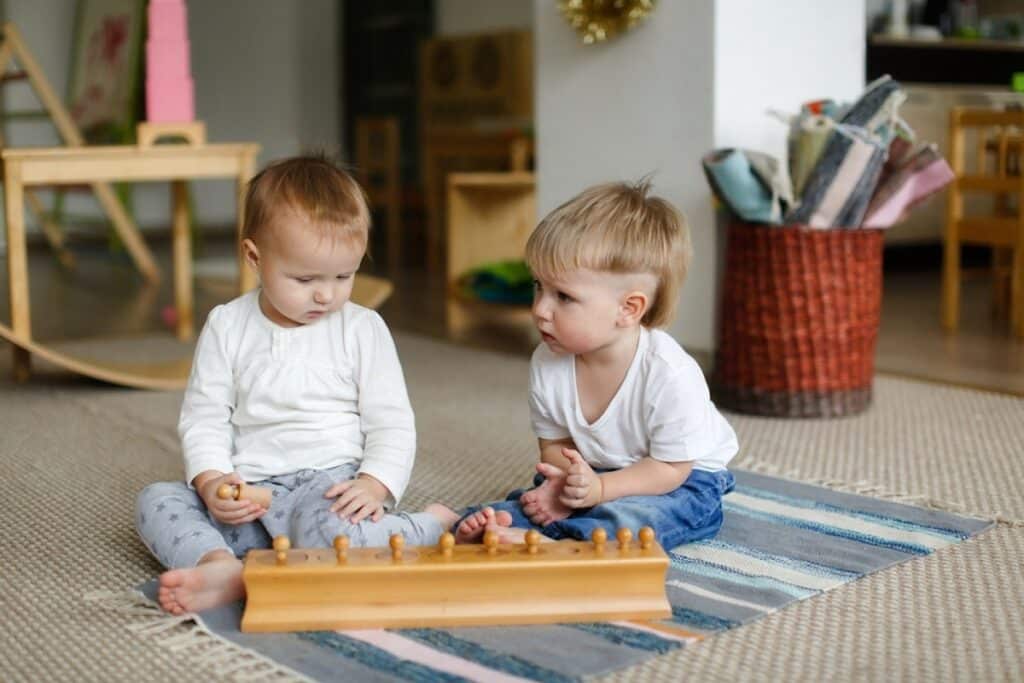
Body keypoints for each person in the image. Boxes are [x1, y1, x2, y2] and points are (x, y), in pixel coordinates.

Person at [136, 155, 455, 615]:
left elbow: (392, 422)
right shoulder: (228, 325)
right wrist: (212, 484)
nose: (327, 294)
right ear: (254, 257)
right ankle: (221, 565)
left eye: (344, 276)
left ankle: (424, 527)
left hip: (325, 492)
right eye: (305, 279)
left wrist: (373, 484)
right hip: (247, 493)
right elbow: (205, 417)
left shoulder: (362, 329)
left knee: (327, 532)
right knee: (156, 501)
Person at [445, 179, 738, 549]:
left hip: (681, 477)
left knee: (641, 518)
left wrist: (600, 489)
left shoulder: (670, 374)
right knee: (535, 500)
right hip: (597, 470)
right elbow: (554, 445)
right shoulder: (548, 361)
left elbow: (670, 469)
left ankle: (568, 545)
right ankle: (497, 524)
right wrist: (570, 483)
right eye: (538, 286)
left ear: (628, 309)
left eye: (563, 296)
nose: (539, 309)